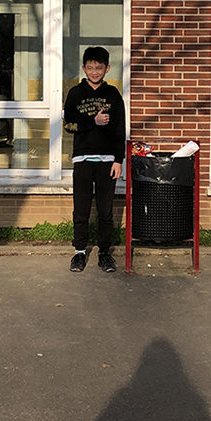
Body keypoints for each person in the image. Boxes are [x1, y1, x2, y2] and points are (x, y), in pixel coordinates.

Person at [63, 46, 126, 273]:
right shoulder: (75, 93)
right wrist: (93, 122)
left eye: (99, 68)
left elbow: (120, 129)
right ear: (84, 68)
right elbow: (69, 125)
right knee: (81, 208)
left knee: (105, 210)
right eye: (90, 67)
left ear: (107, 69)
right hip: (82, 159)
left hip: (108, 161)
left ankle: (104, 253)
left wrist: (118, 160)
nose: (94, 72)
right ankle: (79, 252)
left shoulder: (113, 95)